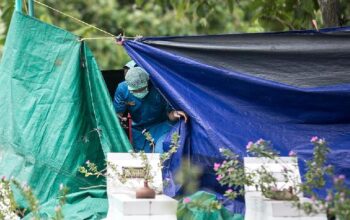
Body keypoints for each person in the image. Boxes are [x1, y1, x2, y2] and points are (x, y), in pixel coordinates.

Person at [113, 65, 187, 153]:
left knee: (160, 151)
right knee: (142, 158)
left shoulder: (159, 88)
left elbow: (169, 114)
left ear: (148, 82)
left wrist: (174, 114)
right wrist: (119, 121)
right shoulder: (122, 89)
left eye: (141, 89)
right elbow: (117, 114)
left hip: (161, 126)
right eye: (135, 91)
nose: (139, 92)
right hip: (138, 130)